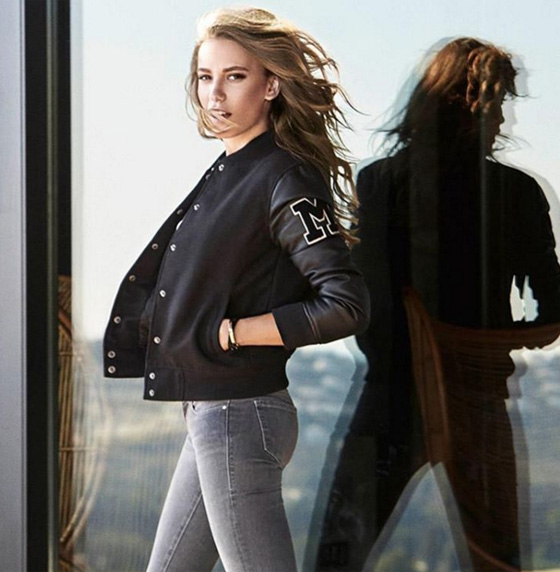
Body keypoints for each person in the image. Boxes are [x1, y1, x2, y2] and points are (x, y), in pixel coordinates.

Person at [103, 7, 370, 572]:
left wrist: (234, 333)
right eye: (206, 77)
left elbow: (344, 304)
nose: (215, 94)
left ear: (271, 85)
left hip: (238, 414)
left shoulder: (282, 177)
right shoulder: (231, 169)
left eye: (235, 76)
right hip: (213, 415)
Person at [316, 37, 560, 571]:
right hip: (464, 400)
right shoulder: (513, 193)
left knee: (338, 559)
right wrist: (485, 342)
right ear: (463, 104)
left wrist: (440, 342)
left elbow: (369, 314)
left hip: (400, 399)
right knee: (497, 565)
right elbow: (553, 314)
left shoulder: (381, 183)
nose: (504, 119)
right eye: (496, 103)